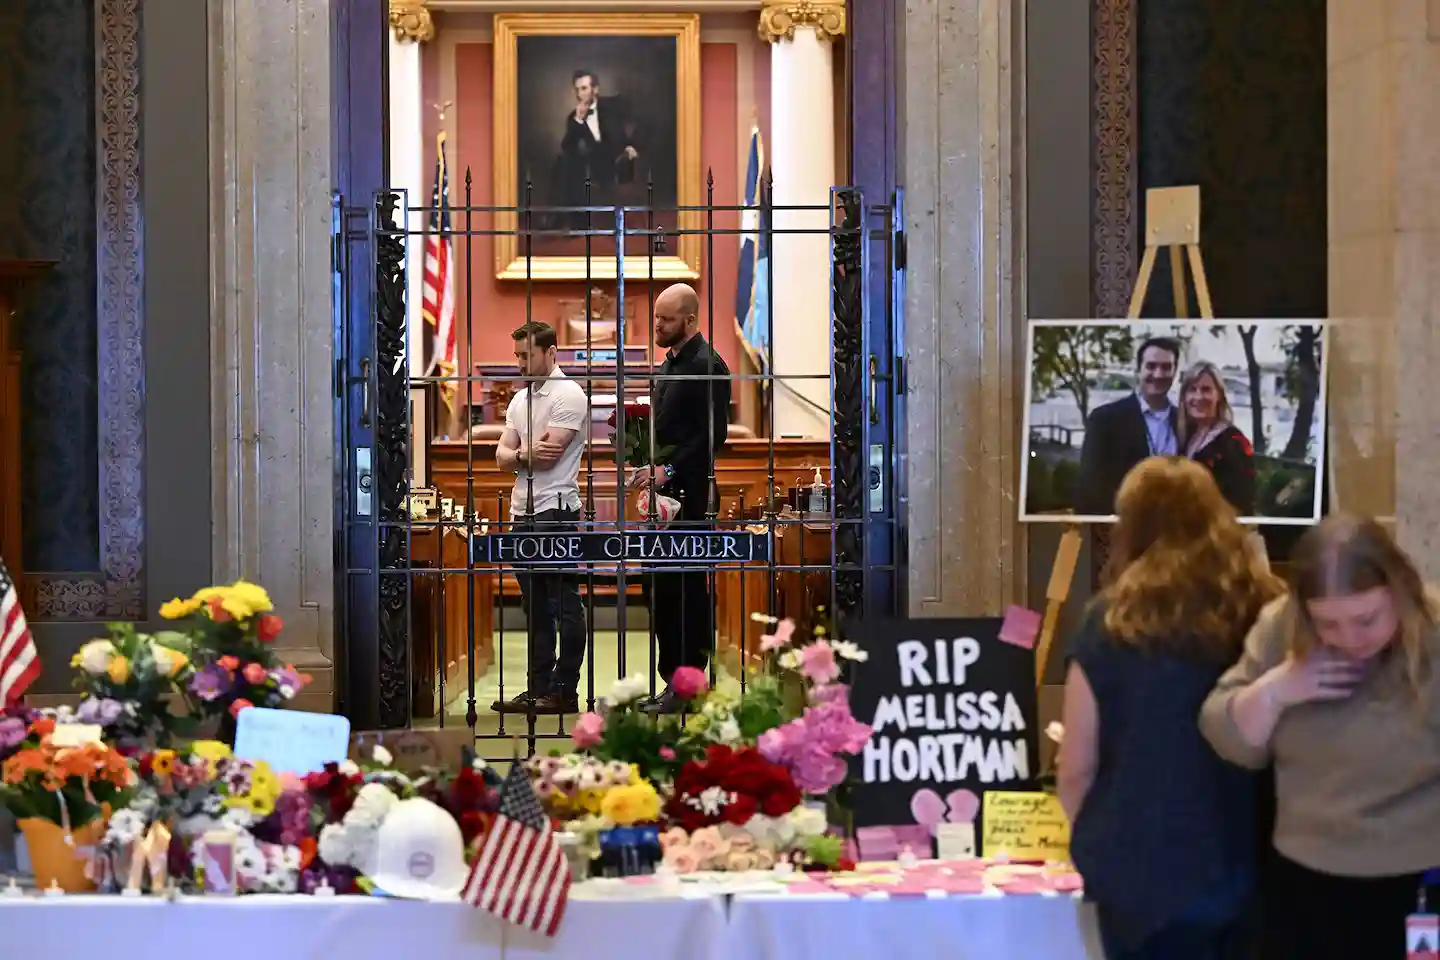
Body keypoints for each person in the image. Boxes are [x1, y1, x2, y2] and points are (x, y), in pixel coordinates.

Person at [1059, 457, 1281, 959]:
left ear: (1129, 529)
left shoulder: (1108, 622)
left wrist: (1099, 838)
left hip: (1137, 875)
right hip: (1248, 862)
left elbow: (1076, 768)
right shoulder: (1266, 606)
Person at [1200, 515, 1440, 958]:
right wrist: (1276, 690)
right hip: (1304, 883)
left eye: (1366, 619)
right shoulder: (1281, 626)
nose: (1349, 639)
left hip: (1418, 881)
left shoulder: (1433, 634)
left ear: (1401, 590)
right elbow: (1227, 737)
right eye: (1328, 624)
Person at [629, 283, 730, 713]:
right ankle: (671, 681)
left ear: (690, 320)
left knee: (687, 592)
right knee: (660, 590)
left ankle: (690, 684)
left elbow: (713, 437)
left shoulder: (709, 366)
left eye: (666, 319)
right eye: (656, 317)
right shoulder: (668, 365)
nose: (657, 324)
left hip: (691, 496)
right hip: (663, 496)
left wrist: (667, 469)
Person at [492, 321, 589, 715]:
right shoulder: (520, 400)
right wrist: (518, 456)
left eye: (525, 355)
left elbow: (551, 451)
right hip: (523, 509)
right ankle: (538, 687)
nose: (518, 363)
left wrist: (514, 455)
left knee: (563, 601)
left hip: (557, 508)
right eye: (516, 355)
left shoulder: (569, 393)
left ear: (551, 352)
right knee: (533, 603)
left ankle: (564, 689)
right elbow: (502, 455)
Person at [1074, 337, 1181, 517]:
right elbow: (1089, 486)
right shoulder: (1105, 419)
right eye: (1151, 366)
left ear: (1175, 372)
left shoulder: (1184, 420)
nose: (1158, 374)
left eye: (1166, 367)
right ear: (1138, 370)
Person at [553, 69, 642, 224]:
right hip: (594, 163)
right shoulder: (573, 117)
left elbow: (636, 122)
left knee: (569, 166)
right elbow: (567, 147)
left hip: (617, 157)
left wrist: (631, 145)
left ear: (595, 89)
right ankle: (574, 221)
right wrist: (578, 121)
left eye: (584, 88)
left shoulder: (613, 105)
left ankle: (560, 218)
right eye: (577, 89)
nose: (580, 94)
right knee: (564, 162)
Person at [1178, 361, 1256, 515]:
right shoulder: (1187, 436)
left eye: (1206, 390)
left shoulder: (1234, 441)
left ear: (1219, 395)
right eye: (1192, 390)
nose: (1198, 397)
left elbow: (1243, 502)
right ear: (1184, 397)